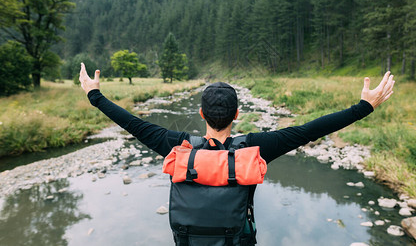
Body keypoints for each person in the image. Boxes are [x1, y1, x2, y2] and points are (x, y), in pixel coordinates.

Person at [79, 63, 395, 245]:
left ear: (201, 114)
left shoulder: (176, 146)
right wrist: (364, 106)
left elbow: (132, 123)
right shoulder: (254, 148)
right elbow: (310, 130)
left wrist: (95, 95)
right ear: (238, 114)